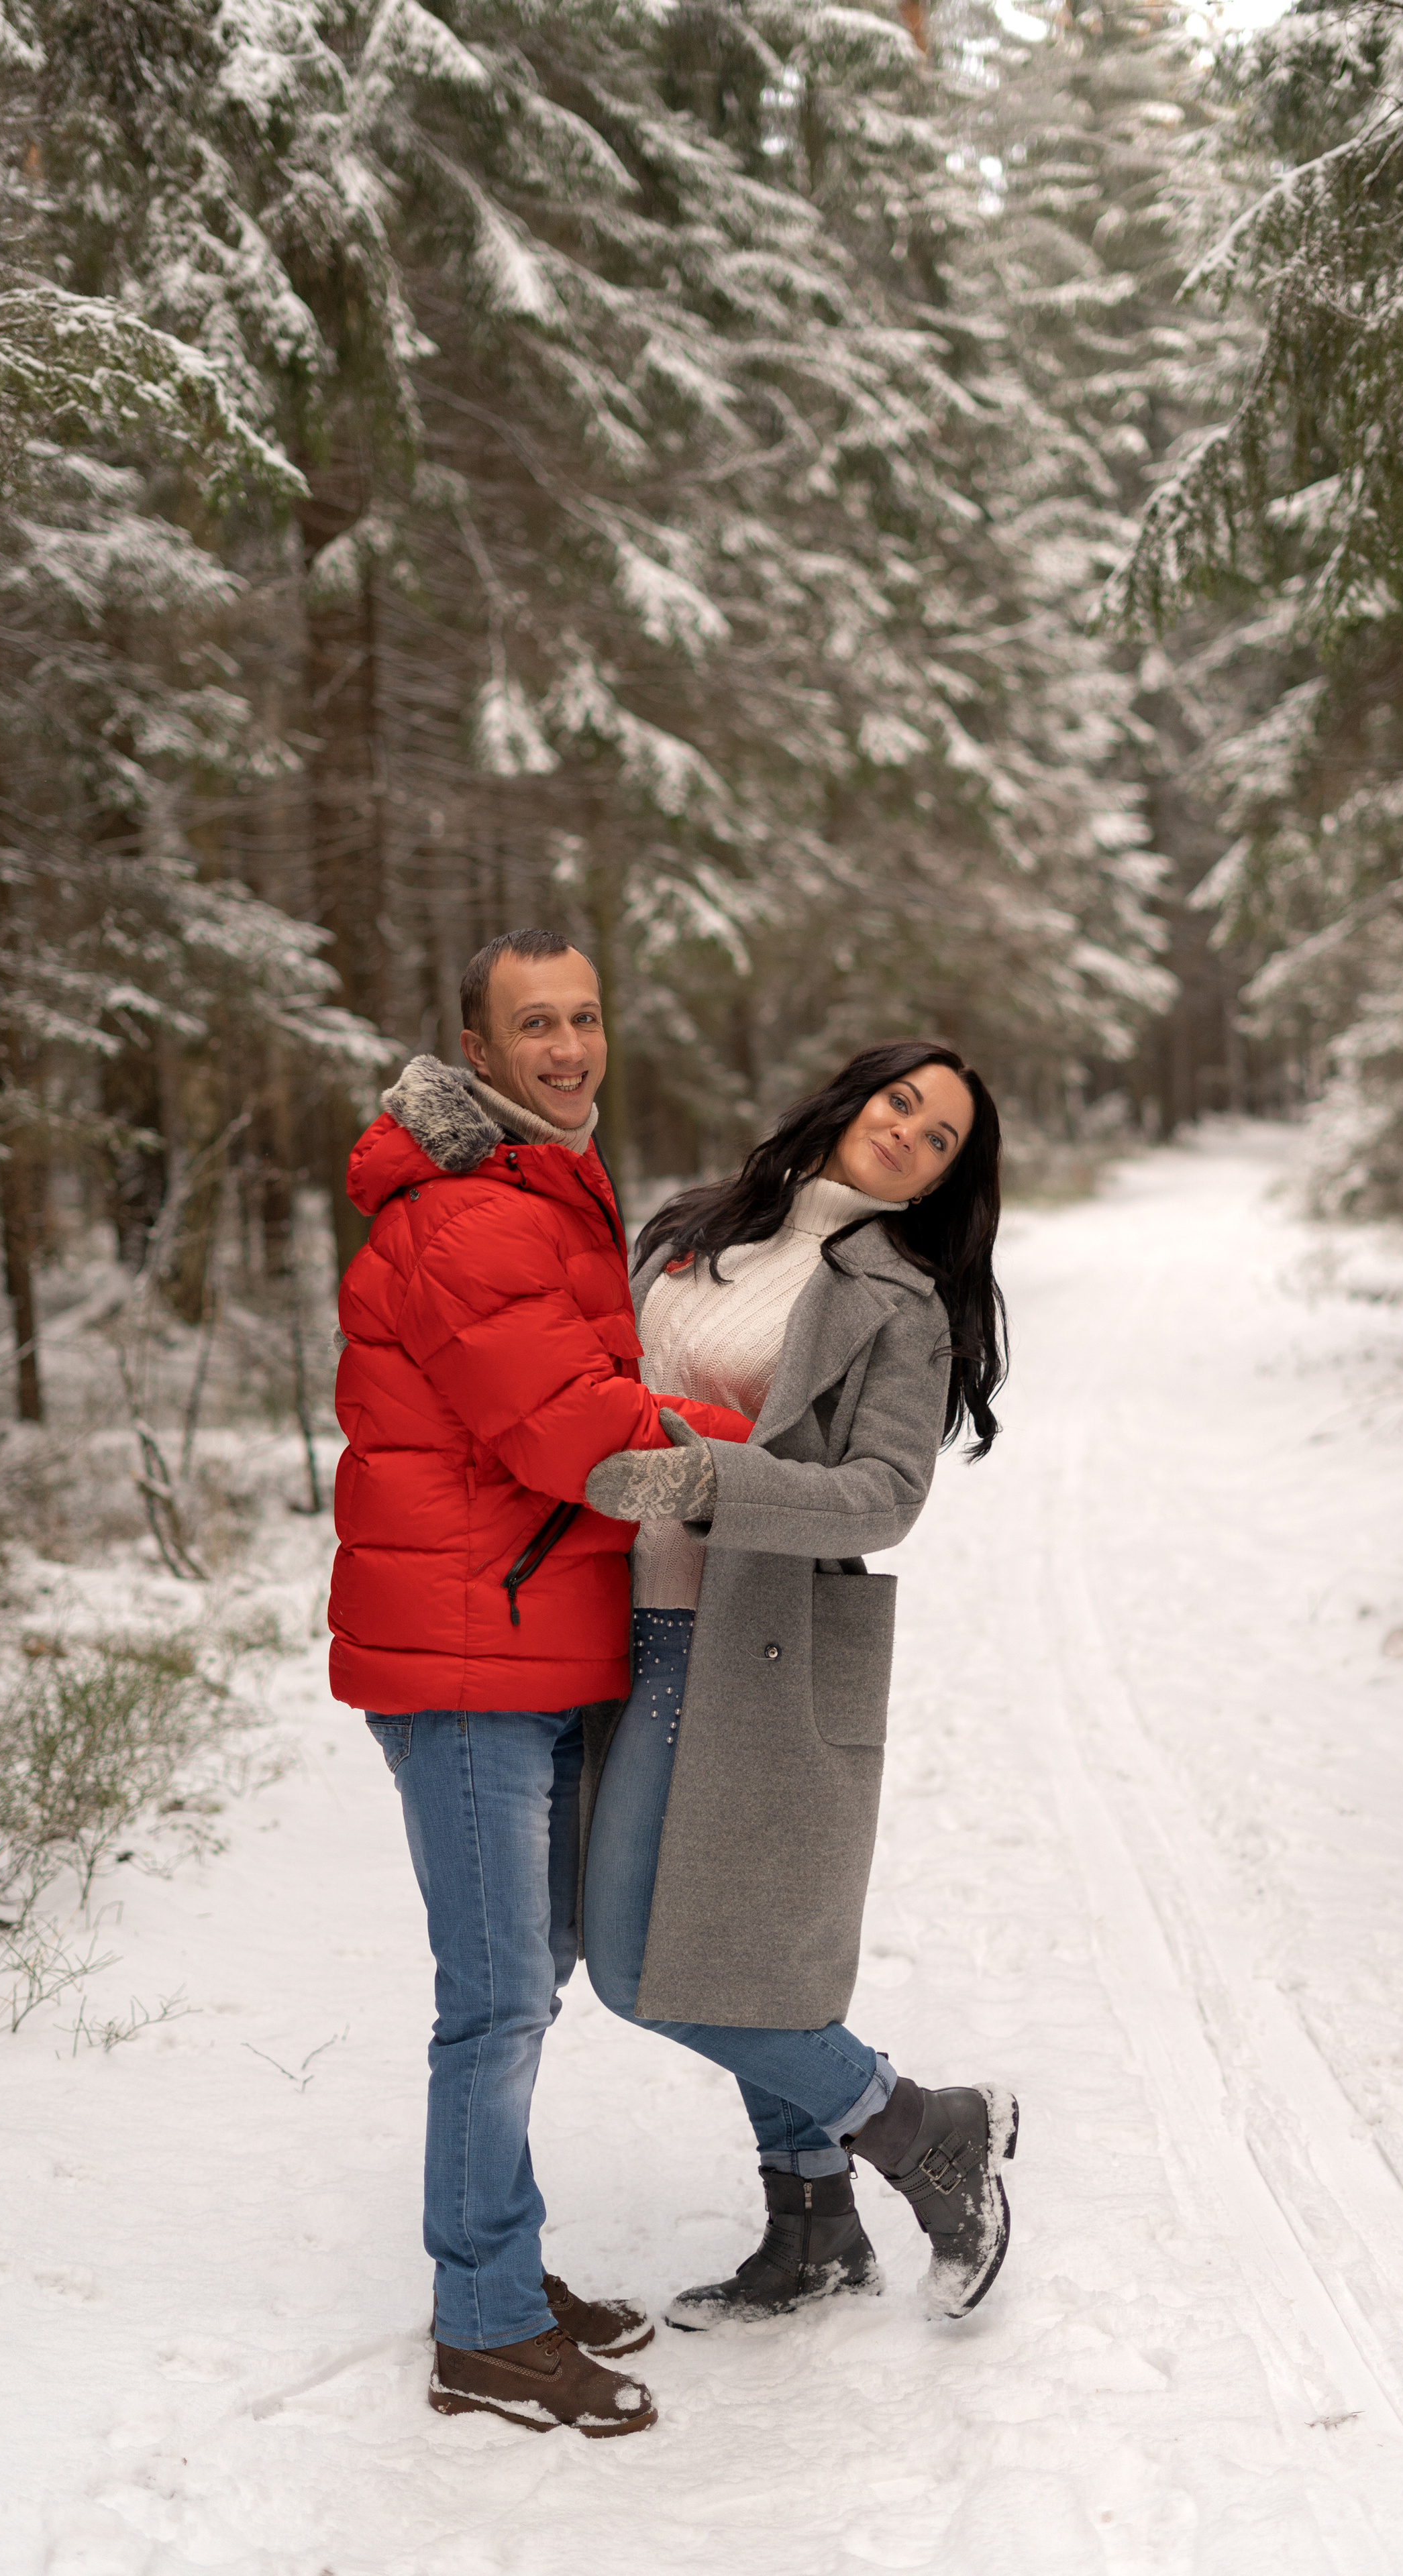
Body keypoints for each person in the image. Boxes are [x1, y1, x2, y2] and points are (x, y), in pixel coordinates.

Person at [329, 928, 753, 2437]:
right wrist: (759, 1452)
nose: (566, 1046)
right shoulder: (466, 1219)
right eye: (533, 1025)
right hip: (462, 1660)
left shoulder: (542, 1188)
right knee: (497, 1999)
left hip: (517, 1636)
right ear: (478, 1045)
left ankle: (498, 2271)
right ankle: (484, 2325)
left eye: (582, 1017)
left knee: (528, 1975)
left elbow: (594, 1393)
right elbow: (572, 1427)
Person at [578, 1040, 1017, 2330]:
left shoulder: (901, 1299)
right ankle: (815, 2228)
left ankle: (926, 2128)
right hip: (617, 1628)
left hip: (751, 1651)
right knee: (740, 1953)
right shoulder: (687, 1231)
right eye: (903, 1106)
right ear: (849, 1098)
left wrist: (719, 1488)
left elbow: (887, 1498)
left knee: (644, 1966)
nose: (912, 1139)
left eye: (941, 1141)